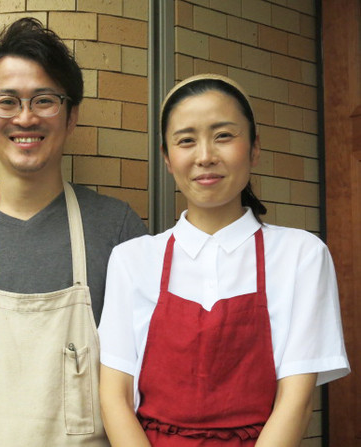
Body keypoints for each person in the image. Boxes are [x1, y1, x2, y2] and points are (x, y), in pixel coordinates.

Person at [0, 17, 147, 447]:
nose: (25, 117)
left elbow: (141, 362)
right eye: (7, 102)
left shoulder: (117, 227)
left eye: (44, 100)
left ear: (72, 116)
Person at [98, 74, 350, 446]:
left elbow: (296, 401)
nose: (205, 156)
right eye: (186, 141)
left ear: (254, 148)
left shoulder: (302, 255)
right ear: (167, 158)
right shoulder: (132, 260)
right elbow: (114, 396)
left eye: (223, 136)